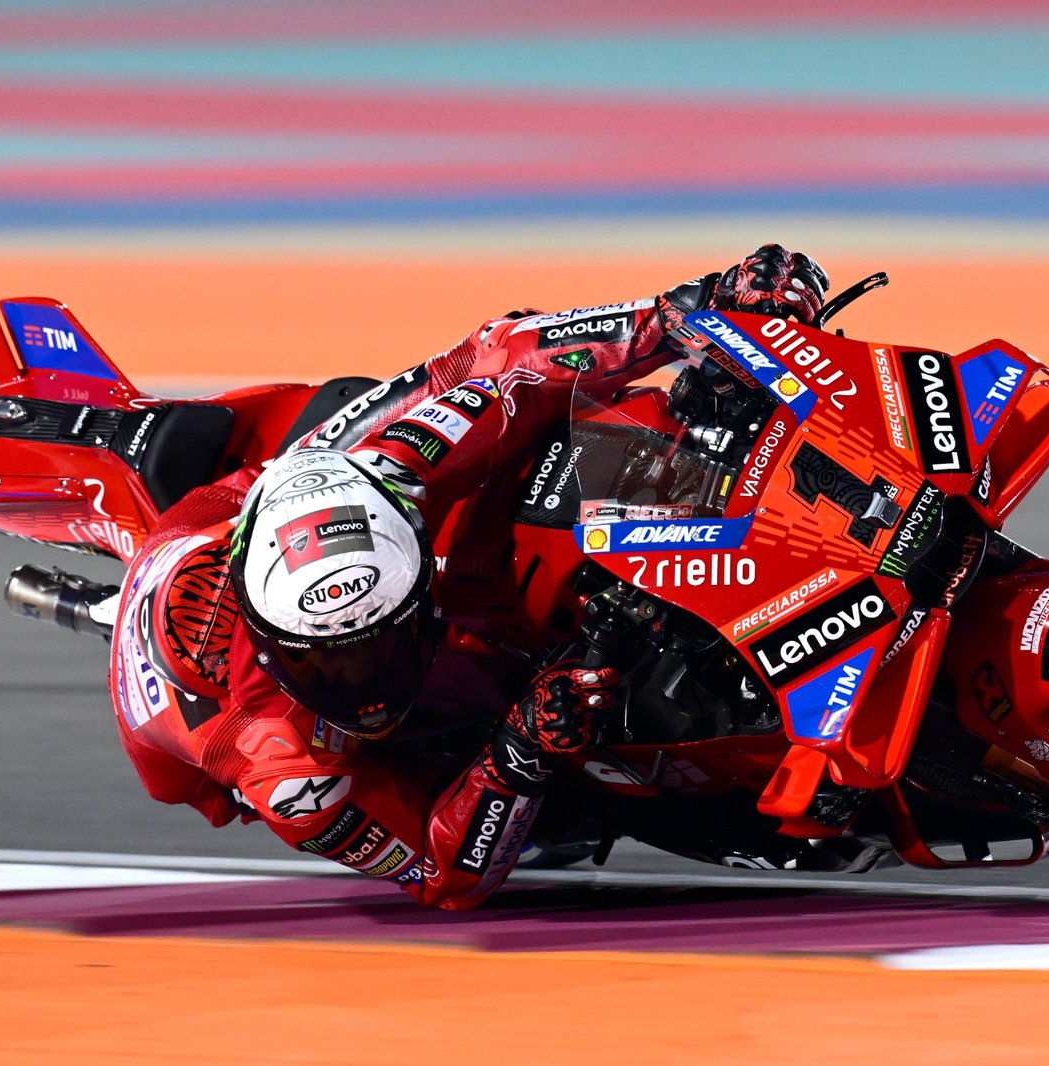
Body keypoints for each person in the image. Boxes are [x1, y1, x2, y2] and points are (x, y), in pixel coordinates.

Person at [107, 246, 832, 908]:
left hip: (277, 495)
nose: (366, 682)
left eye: (377, 647)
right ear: (271, 639)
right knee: (531, 743)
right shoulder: (284, 767)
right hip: (217, 637)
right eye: (329, 663)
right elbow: (439, 876)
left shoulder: (393, 474)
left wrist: (691, 314)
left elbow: (504, 357)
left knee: (487, 392)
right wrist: (517, 754)